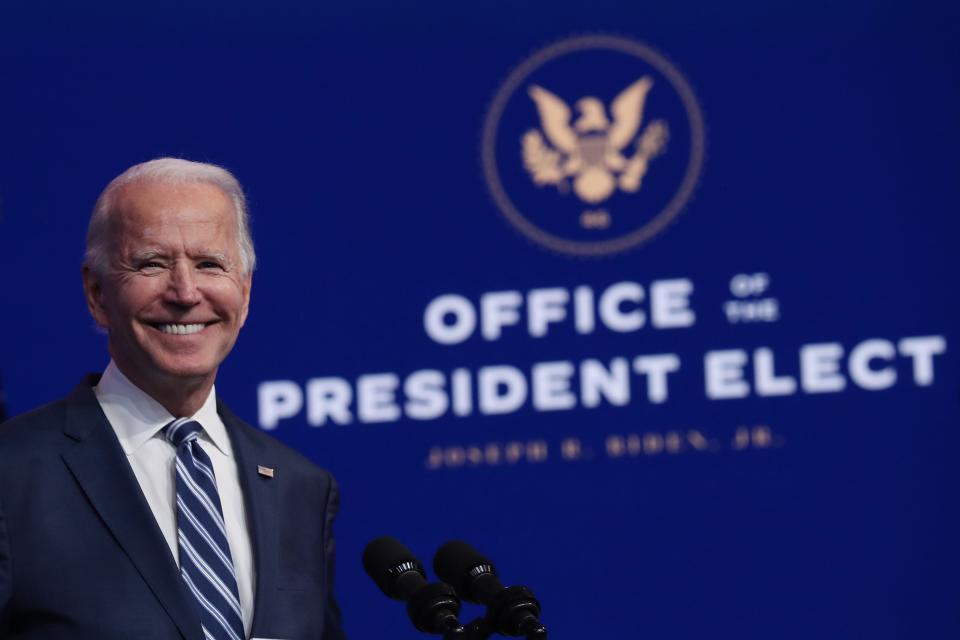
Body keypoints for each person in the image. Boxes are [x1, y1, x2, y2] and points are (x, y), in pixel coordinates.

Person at [0, 158, 347, 639]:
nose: (185, 292)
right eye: (152, 264)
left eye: (210, 264)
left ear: (244, 293)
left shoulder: (301, 489)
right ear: (97, 293)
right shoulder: (12, 472)